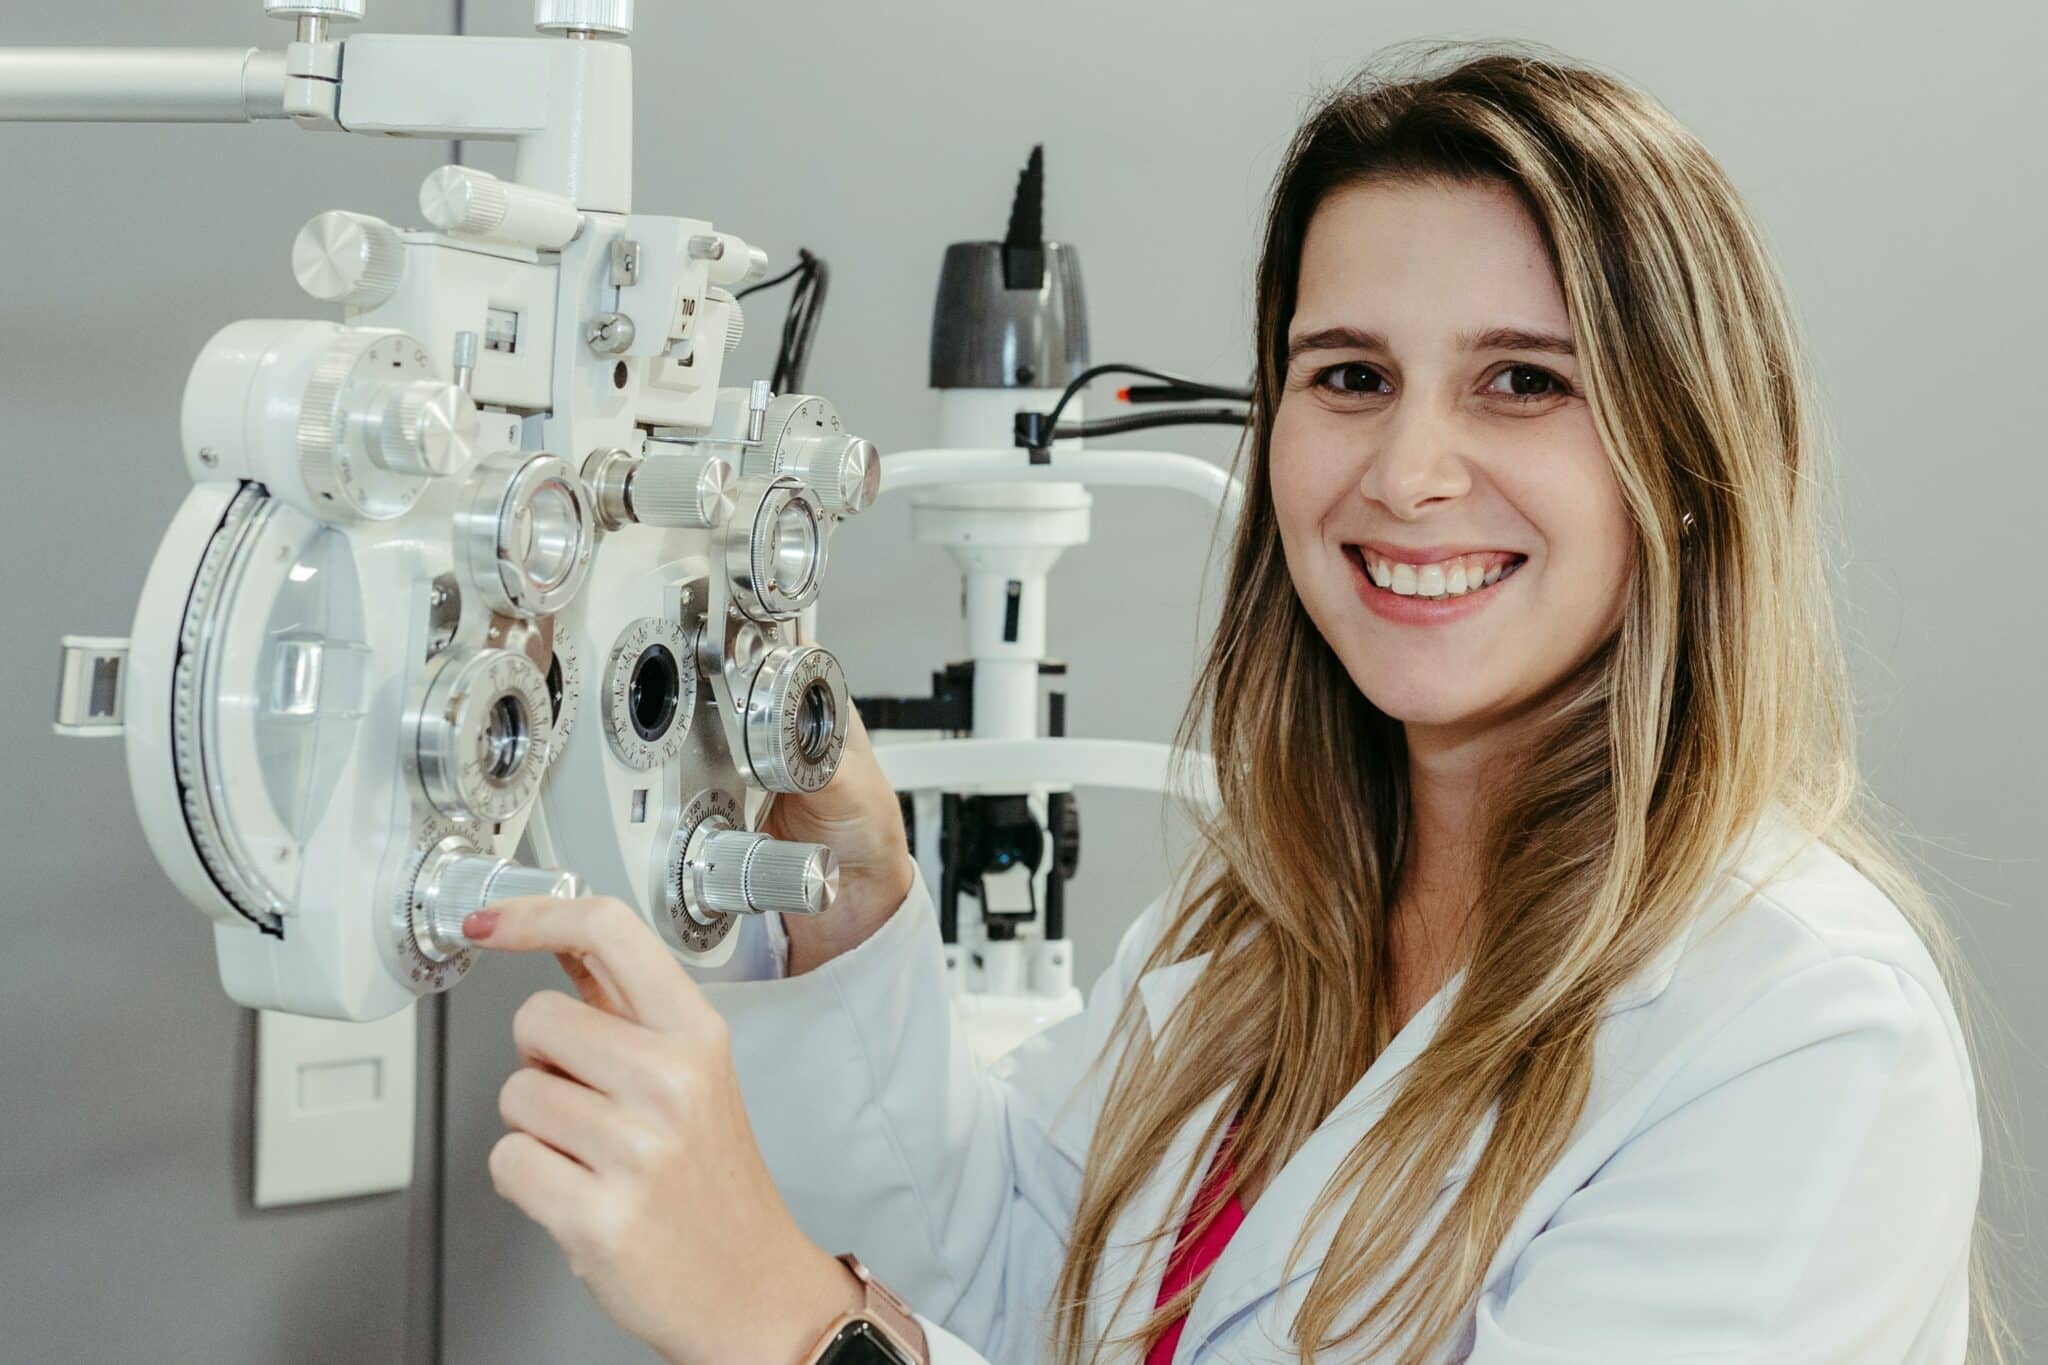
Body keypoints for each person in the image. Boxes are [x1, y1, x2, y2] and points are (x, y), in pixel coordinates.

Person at [460, 42, 1985, 1365]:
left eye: (1524, 380)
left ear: (1690, 452)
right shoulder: (1260, 925)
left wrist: (790, 1325)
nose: (1409, 473)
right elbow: (1013, 1278)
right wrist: (848, 920)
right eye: (1350, 376)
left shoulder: (1797, 1035)